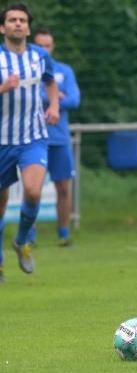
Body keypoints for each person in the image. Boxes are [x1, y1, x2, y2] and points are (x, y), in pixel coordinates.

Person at [0, 2, 60, 283]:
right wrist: (3, 87)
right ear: (3, 27)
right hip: (2, 142)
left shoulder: (39, 56)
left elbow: (49, 82)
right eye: (12, 20)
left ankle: (22, 240)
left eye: (22, 20)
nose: (18, 24)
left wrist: (55, 106)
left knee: (34, 192)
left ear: (28, 26)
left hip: (33, 137)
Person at [29, 26, 80, 247]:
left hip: (59, 139)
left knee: (63, 188)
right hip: (32, 138)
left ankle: (63, 234)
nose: (44, 50)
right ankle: (28, 237)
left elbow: (75, 100)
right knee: (33, 190)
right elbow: (27, 97)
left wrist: (50, 99)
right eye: (39, 46)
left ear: (53, 46)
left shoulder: (64, 71)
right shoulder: (26, 70)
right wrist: (55, 97)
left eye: (47, 45)